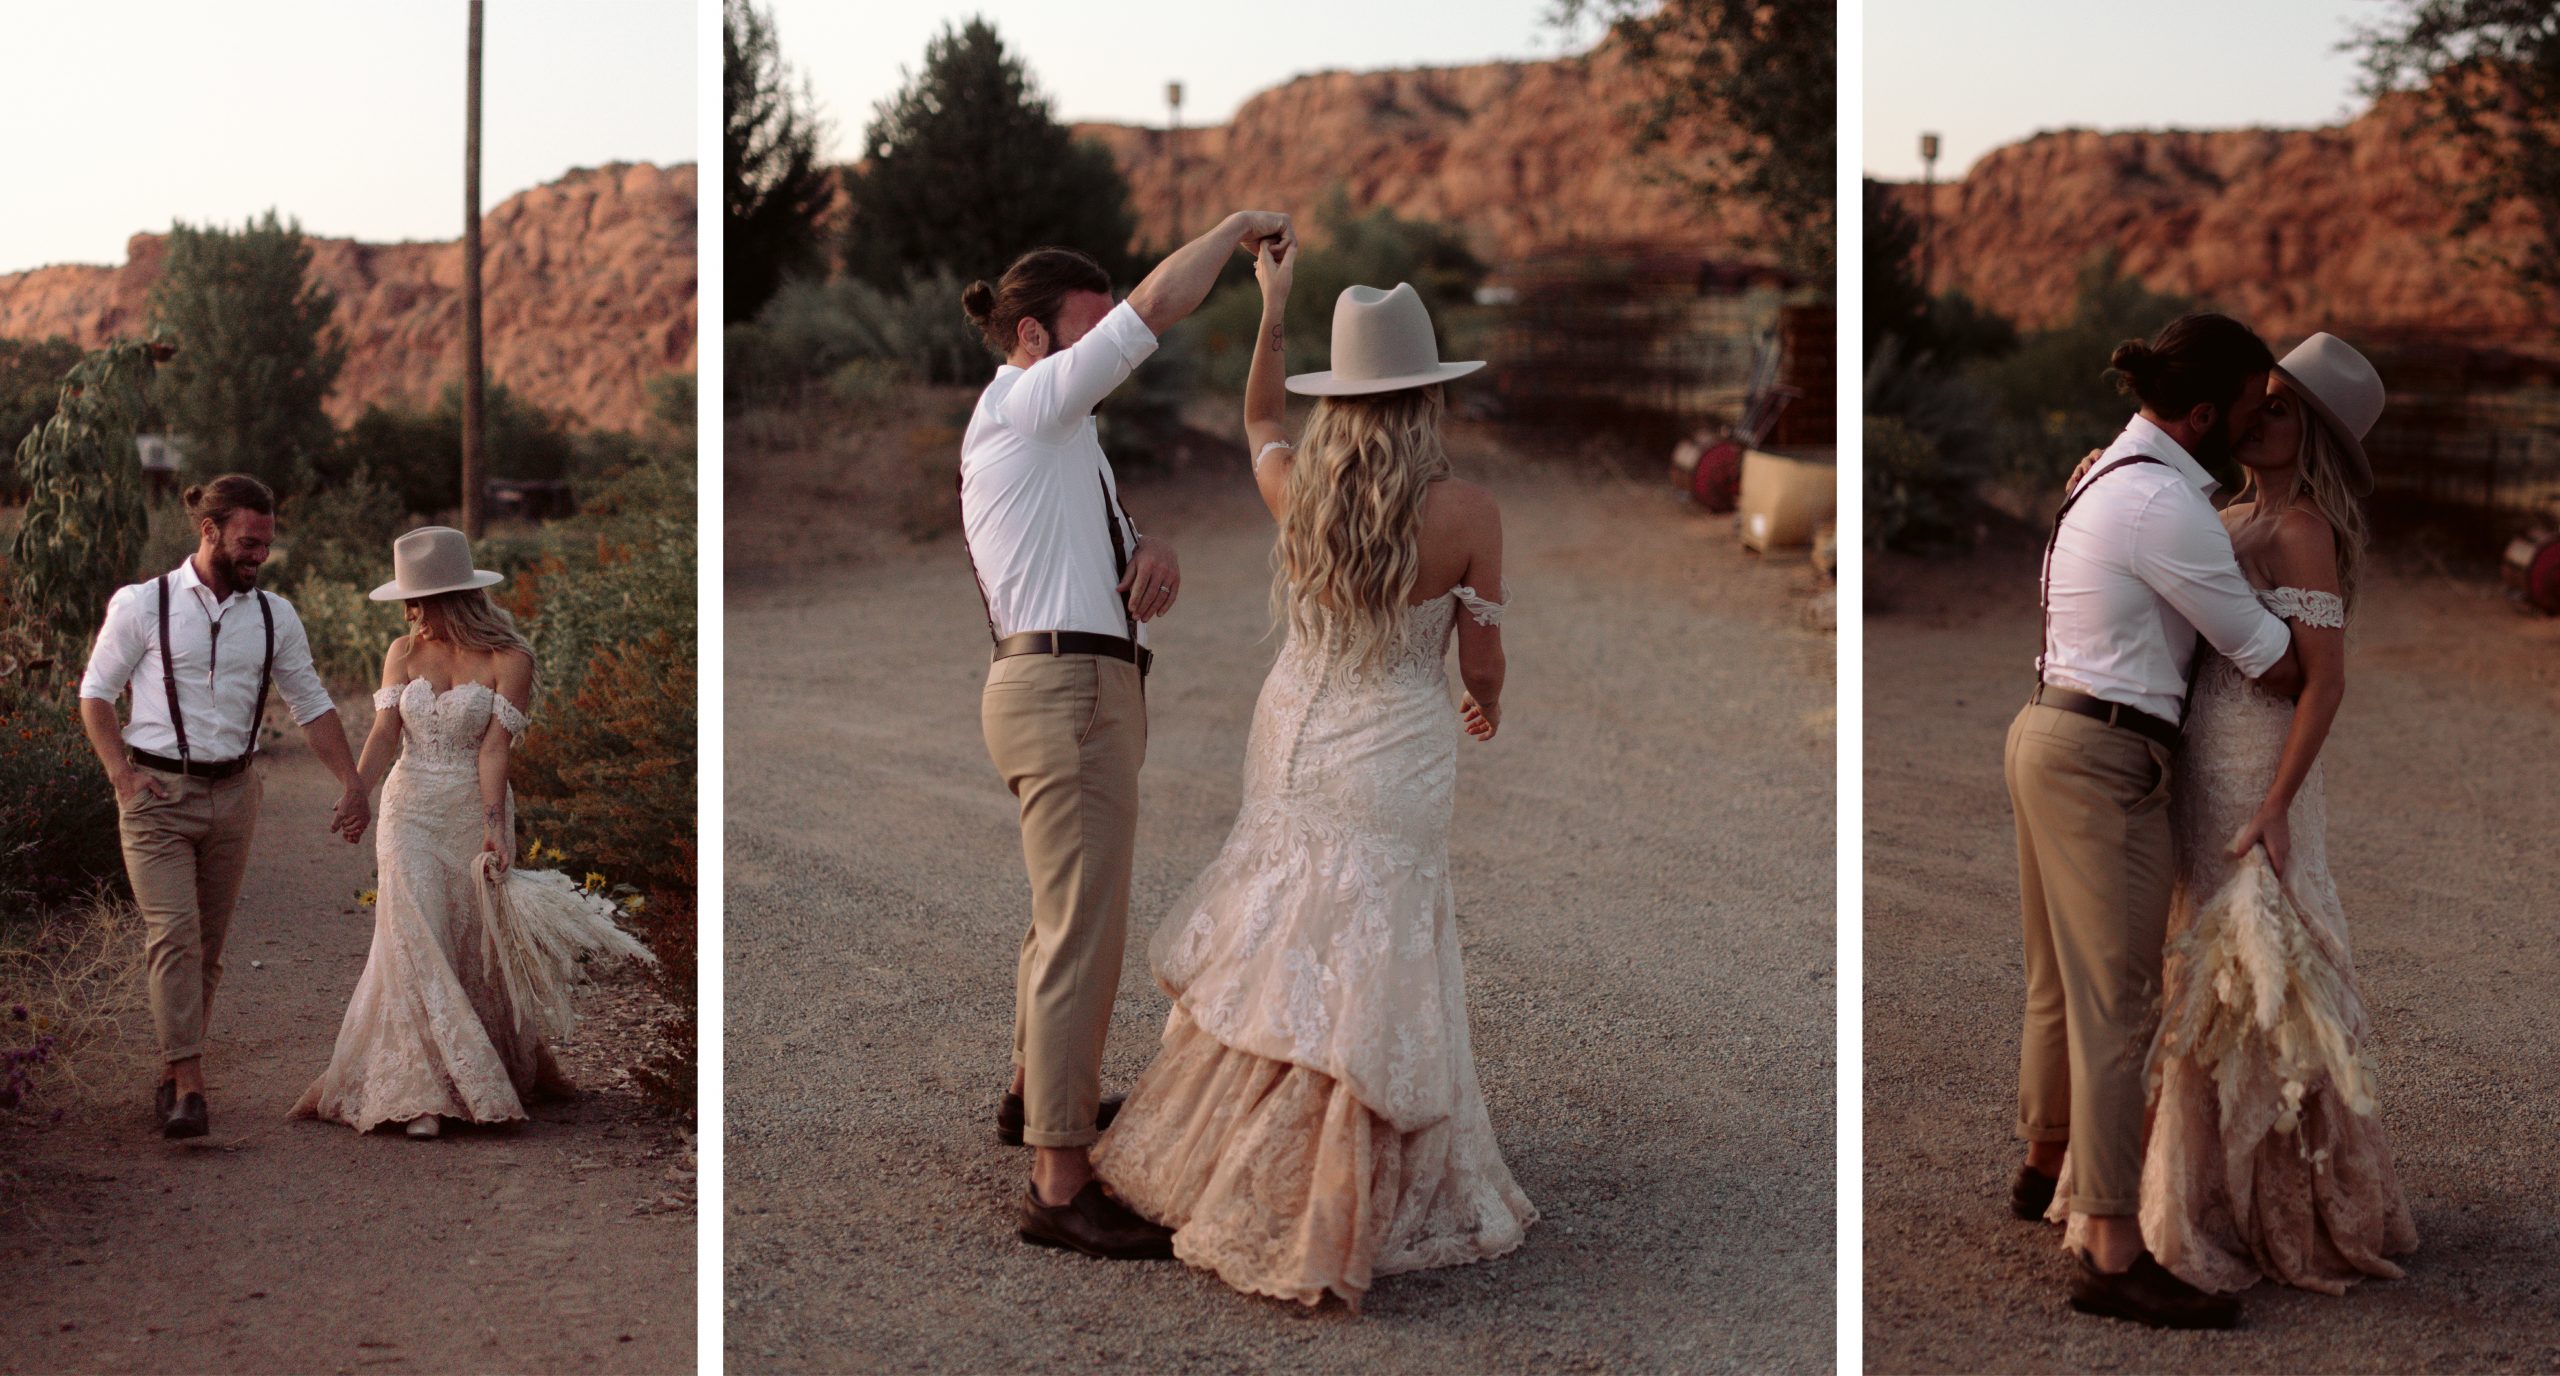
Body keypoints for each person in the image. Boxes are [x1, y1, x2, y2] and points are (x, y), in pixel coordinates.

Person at [1087, 247, 1537, 1310]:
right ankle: (1331, 1185)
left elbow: (1255, 420)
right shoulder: (1468, 511)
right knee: (1369, 948)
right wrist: (1490, 701)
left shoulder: (1299, 485)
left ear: (1338, 395)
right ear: (1428, 394)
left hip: (1294, 730)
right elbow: (1478, 660)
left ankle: (1218, 1151)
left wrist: (1274, 304)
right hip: (1396, 748)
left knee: (1280, 934)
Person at [956, 211, 1293, 1259]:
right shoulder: (1028, 398)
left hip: (1063, 681)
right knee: (1083, 931)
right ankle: (1058, 1180)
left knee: (1060, 912)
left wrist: (1146, 544)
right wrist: (1236, 228)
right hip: (1068, 693)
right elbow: (1154, 307)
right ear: (1029, 336)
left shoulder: (1055, 427)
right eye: (1088, 332)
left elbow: (1079, 532)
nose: (1111, 350)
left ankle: (1031, 1093)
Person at [2003, 313, 2308, 1328]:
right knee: (2118, 999)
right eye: (2253, 409)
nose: (2260, 425)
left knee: (2058, 976)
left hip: (2048, 728)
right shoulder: (2164, 505)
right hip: (2106, 756)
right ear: (2206, 411)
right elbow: (2267, 655)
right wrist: (2311, 619)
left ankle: (2045, 1158)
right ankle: (2107, 1244)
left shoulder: (2114, 474)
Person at [2116, 333, 2419, 1294]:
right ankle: (2201, 1188)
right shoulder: (2224, 510)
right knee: (2204, 970)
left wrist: (2282, 803)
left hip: (2260, 772)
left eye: (2281, 409)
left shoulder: (2303, 530)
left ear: (2314, 436)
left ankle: (2278, 1200)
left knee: (2270, 972)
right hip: (2204, 756)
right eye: (2261, 399)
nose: (2257, 415)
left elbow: (2325, 685)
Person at [291, 526, 650, 1137]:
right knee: (414, 938)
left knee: (470, 943)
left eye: (420, 601)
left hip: (468, 809)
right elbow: (384, 733)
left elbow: (493, 752)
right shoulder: (402, 651)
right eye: (407, 601)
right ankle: (418, 1093)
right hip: (409, 810)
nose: (410, 613)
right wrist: (357, 791)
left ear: (455, 597)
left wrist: (494, 828)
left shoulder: (510, 660)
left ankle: (479, 1068)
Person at [76, 474, 367, 1139]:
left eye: (265, 544)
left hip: (235, 794)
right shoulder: (142, 604)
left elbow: (312, 705)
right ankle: (191, 1085)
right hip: (156, 795)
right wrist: (120, 772)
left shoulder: (274, 616)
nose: (257, 556)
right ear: (209, 531)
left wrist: (352, 782)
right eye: (247, 542)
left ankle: (173, 1072)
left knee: (205, 950)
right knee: (173, 936)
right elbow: (96, 694)